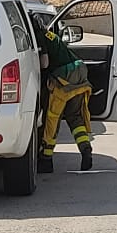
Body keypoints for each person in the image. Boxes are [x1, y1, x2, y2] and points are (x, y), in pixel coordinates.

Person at [35, 18, 93, 172]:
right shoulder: (50, 35)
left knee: (53, 116)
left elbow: (45, 63)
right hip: (79, 69)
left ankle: (46, 159)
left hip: (64, 75)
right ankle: (85, 148)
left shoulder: (39, 36)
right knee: (75, 115)